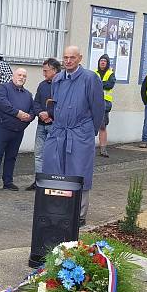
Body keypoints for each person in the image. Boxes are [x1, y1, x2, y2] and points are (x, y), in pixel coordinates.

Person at [41, 46, 105, 226]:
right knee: (55, 170)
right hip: (59, 132)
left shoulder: (90, 78)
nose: (68, 61)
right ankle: (58, 210)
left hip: (80, 132)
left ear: (80, 58)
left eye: (72, 58)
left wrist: (87, 132)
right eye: (65, 57)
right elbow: (55, 103)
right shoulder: (58, 78)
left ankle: (79, 214)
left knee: (79, 173)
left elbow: (98, 108)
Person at [0, 68, 36, 193]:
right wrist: (18, 113)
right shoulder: (3, 88)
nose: (21, 77)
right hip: (1, 128)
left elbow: (33, 109)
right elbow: (2, 103)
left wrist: (29, 117)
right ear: (13, 76)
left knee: (11, 157)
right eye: (19, 75)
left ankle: (8, 182)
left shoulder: (28, 94)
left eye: (24, 76)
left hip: (18, 131)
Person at [26, 57, 60, 191]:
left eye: (46, 71)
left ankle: (52, 181)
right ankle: (39, 181)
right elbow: (36, 103)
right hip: (41, 124)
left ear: (54, 70)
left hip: (55, 125)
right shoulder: (42, 85)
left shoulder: (62, 84)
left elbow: (63, 104)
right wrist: (41, 113)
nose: (43, 73)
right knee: (39, 154)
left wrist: (50, 114)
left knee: (53, 155)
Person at [94, 54, 115, 157]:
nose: (102, 62)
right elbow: (90, 84)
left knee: (102, 126)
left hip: (105, 103)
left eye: (104, 61)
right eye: (101, 60)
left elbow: (110, 85)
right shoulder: (94, 73)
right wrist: (103, 83)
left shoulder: (110, 73)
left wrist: (99, 83)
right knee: (90, 126)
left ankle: (103, 149)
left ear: (107, 63)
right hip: (94, 102)